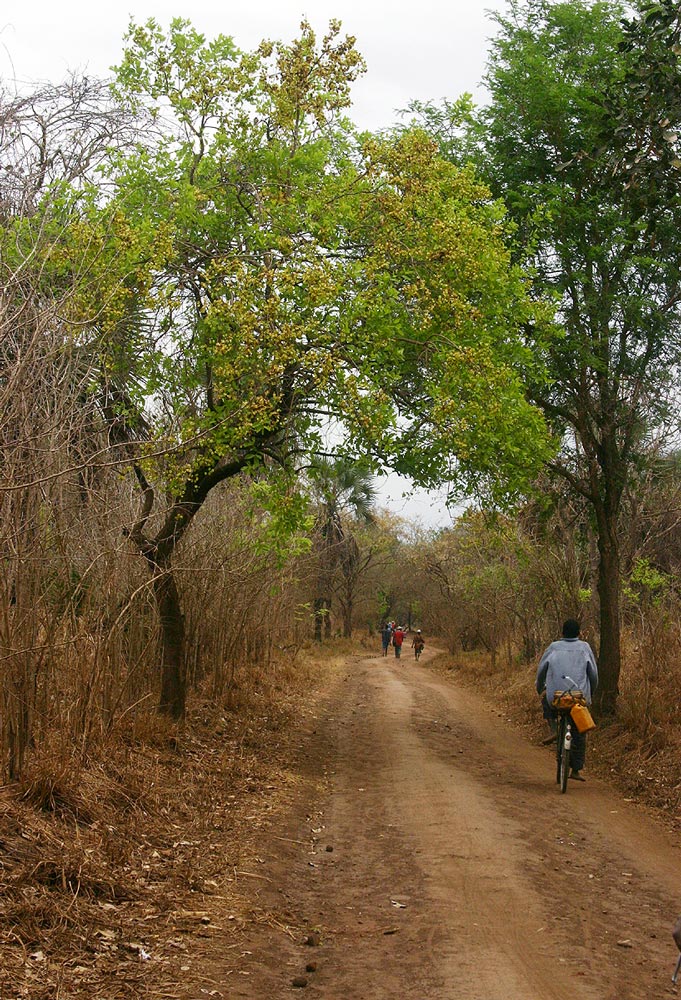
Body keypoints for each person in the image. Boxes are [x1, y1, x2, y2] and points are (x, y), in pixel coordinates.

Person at [535, 619, 598, 782]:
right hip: (578, 697)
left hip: (556, 697)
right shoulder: (585, 648)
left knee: (547, 701)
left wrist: (540, 688)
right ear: (579, 633)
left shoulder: (554, 647)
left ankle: (554, 728)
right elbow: (593, 675)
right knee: (579, 730)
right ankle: (575, 770)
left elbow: (541, 672)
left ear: (562, 633)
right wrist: (591, 692)